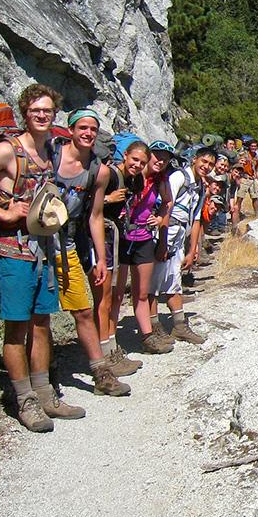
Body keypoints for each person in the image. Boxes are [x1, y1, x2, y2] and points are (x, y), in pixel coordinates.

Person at [0, 84, 79, 432]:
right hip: (13, 249)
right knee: (17, 327)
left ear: (55, 114)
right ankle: (24, 400)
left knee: (42, 324)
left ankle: (45, 394)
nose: (42, 115)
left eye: (48, 110)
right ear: (25, 112)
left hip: (44, 249)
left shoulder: (50, 149)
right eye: (36, 110)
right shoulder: (8, 151)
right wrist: (3, 213)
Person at [52, 110, 130, 397]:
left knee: (83, 309)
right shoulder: (52, 157)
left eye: (93, 129)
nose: (87, 133)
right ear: (71, 129)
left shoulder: (99, 171)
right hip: (36, 241)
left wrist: (100, 259)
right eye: (82, 127)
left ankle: (100, 372)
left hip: (69, 242)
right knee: (39, 315)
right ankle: (44, 376)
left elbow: (95, 216)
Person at [88, 139, 149, 376]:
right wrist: (107, 200)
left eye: (142, 162)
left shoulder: (133, 179)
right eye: (134, 160)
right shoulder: (111, 176)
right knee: (104, 296)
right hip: (101, 235)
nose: (137, 165)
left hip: (113, 235)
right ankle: (104, 355)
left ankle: (110, 349)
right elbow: (89, 206)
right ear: (125, 156)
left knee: (113, 294)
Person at [149, 146, 216, 344]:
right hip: (164, 232)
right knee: (152, 285)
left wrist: (193, 249)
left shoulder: (199, 187)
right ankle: (153, 329)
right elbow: (165, 207)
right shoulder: (179, 177)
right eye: (204, 162)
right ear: (194, 160)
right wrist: (161, 243)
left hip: (178, 236)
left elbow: (196, 220)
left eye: (210, 164)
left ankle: (179, 325)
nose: (206, 166)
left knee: (174, 282)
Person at [120, 140, 175, 354]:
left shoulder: (159, 180)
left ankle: (147, 336)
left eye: (165, 158)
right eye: (157, 156)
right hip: (122, 237)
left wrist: (160, 216)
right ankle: (108, 344)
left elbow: (168, 201)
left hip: (142, 236)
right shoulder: (130, 177)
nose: (160, 161)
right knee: (116, 295)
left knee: (142, 293)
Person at [231, 138, 258, 228]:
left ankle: (257, 215)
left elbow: (257, 170)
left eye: (255, 146)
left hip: (252, 179)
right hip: (244, 178)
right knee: (240, 198)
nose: (253, 147)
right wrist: (238, 178)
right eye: (252, 146)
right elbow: (238, 165)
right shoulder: (244, 155)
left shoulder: (257, 158)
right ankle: (235, 222)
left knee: (255, 198)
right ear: (249, 146)